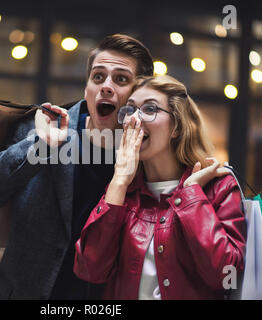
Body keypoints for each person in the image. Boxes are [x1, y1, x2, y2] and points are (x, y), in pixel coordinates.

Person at [0, 34, 154, 299]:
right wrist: (39, 147)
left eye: (121, 79)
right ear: (87, 89)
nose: (106, 86)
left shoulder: (147, 154)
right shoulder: (41, 129)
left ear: (138, 97)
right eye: (98, 77)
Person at [74, 75, 247, 300]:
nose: (134, 119)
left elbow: (225, 277)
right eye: (130, 110)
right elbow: (90, 269)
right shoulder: (122, 192)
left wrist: (191, 193)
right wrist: (119, 180)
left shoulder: (218, 188)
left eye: (149, 109)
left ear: (176, 126)